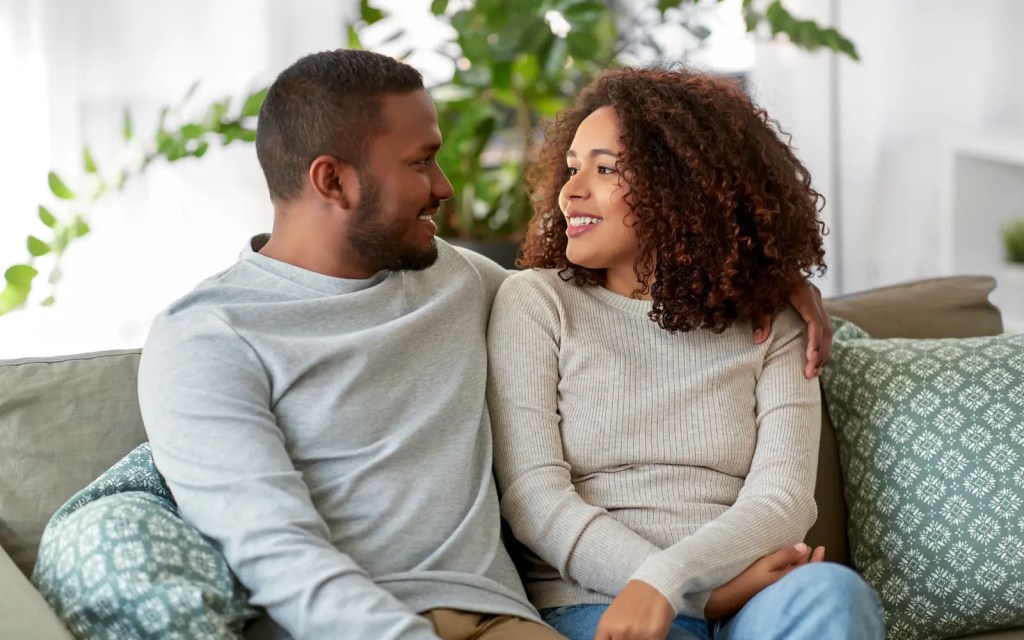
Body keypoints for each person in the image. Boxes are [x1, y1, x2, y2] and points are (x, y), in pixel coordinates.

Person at [137, 50, 832, 639]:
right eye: (422, 163)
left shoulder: (460, 281)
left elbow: (629, 295)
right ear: (333, 180)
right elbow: (276, 552)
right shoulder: (205, 336)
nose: (444, 188)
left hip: (504, 621)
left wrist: (775, 282)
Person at [486, 67, 885, 640]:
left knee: (832, 594)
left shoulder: (773, 318)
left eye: (605, 170)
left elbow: (784, 499)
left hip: (751, 594)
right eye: (573, 168)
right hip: (601, 600)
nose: (570, 191)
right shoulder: (535, 302)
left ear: (683, 187)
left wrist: (672, 582)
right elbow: (533, 499)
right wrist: (700, 596)